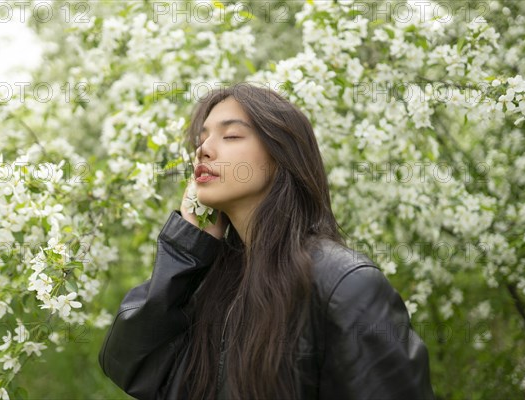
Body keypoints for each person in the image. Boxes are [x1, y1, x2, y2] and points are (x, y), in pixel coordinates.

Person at [98, 83, 435, 400]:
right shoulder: (214, 284)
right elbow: (133, 368)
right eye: (200, 139)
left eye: (231, 135)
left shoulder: (343, 284)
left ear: (280, 155)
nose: (204, 150)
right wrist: (185, 251)